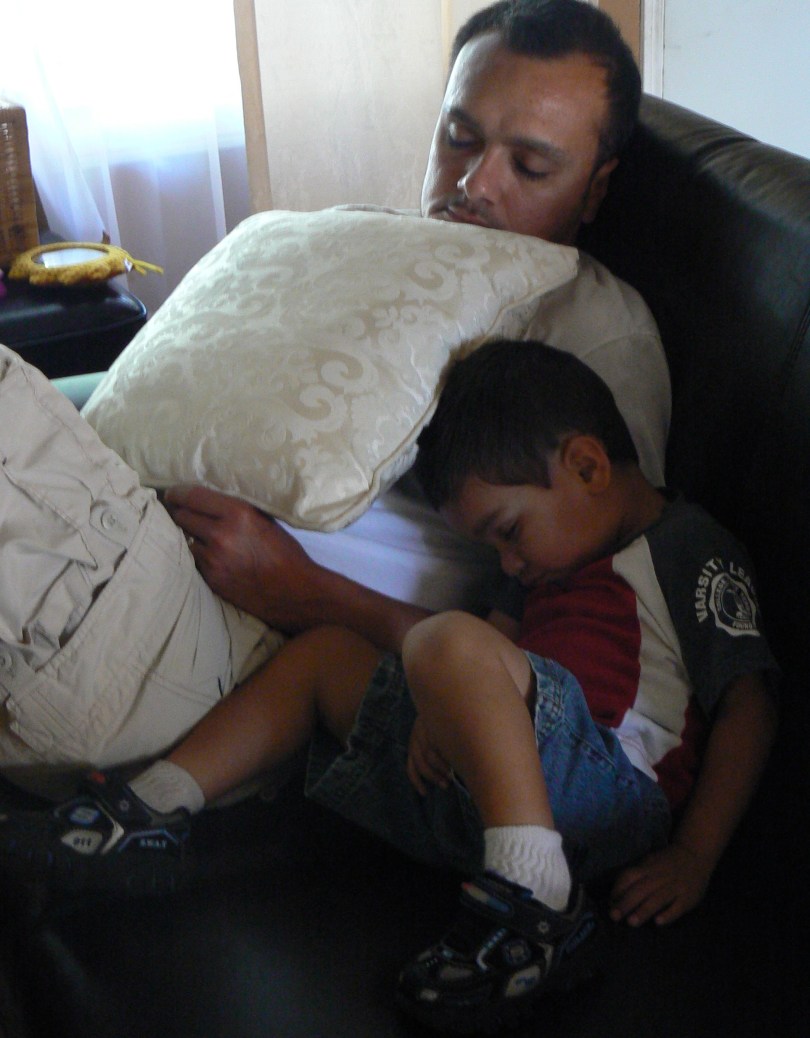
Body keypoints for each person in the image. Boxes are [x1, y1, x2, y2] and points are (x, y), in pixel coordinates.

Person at [1, 3, 666, 826]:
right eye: (459, 137)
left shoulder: (593, 338)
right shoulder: (374, 249)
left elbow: (556, 678)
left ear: (596, 186)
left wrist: (304, 592)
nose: (473, 184)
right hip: (113, 535)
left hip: (198, 640)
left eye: (529, 166)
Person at [2, 340, 777, 1034]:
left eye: (507, 530)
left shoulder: (686, 548)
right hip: (481, 789)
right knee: (326, 652)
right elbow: (492, 662)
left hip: (610, 790)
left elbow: (749, 703)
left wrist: (697, 853)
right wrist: (440, 711)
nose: (507, 563)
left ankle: (540, 905)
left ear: (586, 466)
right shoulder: (537, 576)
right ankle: (147, 812)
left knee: (439, 635)